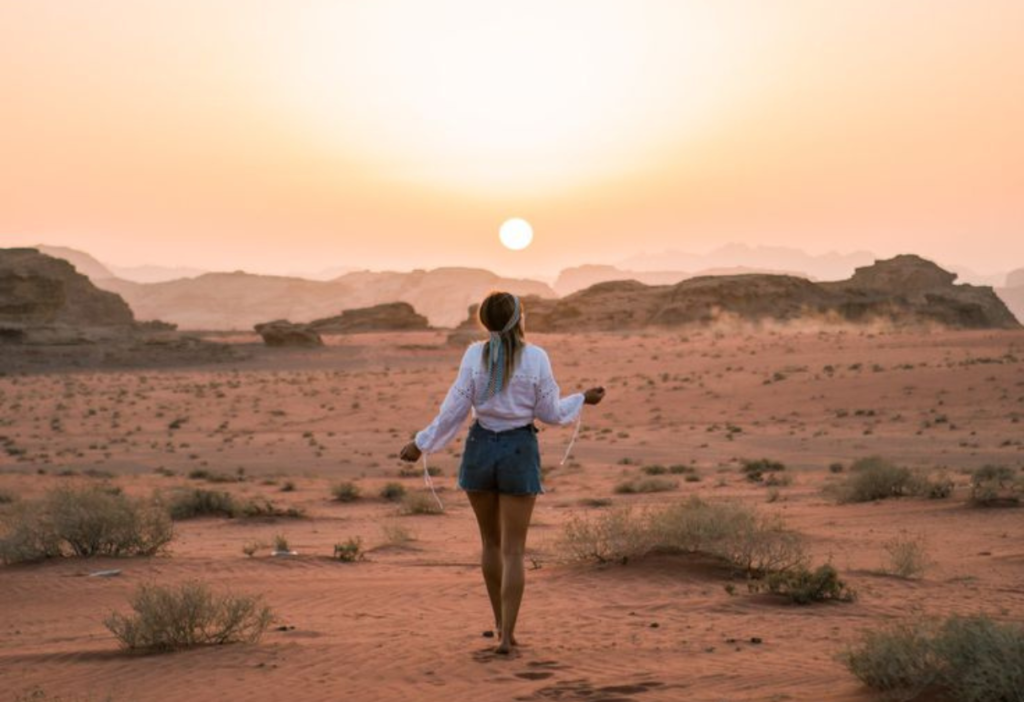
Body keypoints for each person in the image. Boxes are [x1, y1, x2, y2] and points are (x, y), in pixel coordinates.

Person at [400, 291, 605, 654]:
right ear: (519, 318)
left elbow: (455, 408)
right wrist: (582, 399)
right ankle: (508, 636)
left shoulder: (473, 355)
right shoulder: (536, 357)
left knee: (490, 544)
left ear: (485, 321)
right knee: (513, 551)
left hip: (480, 448)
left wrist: (421, 444)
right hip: (519, 450)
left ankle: (497, 623)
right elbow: (551, 413)